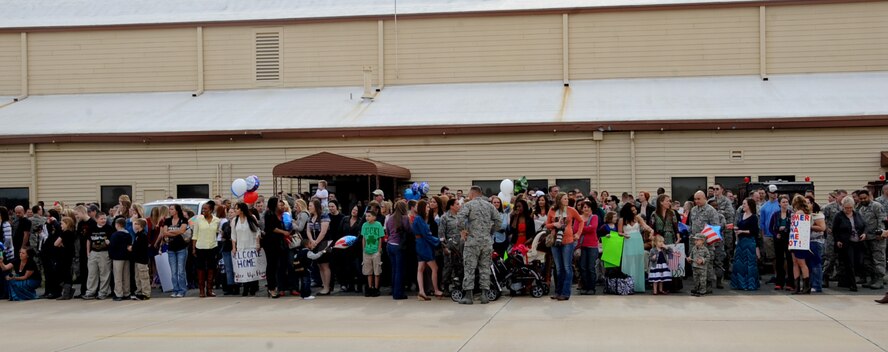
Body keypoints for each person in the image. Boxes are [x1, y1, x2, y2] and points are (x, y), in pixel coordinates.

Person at [457, 186, 499, 304]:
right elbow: (498, 221)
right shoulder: (489, 206)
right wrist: (490, 231)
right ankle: (484, 296)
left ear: (472, 193)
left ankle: (468, 296)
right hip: (486, 242)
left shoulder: (469, 205)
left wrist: (463, 231)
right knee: (485, 268)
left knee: (470, 268)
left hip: (472, 242)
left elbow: (459, 220)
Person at [688, 191, 722, 291]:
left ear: (704, 198)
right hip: (695, 244)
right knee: (695, 265)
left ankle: (707, 286)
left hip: (706, 244)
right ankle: (698, 286)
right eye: (695, 199)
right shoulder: (693, 210)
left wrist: (707, 241)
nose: (696, 201)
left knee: (707, 265)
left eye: (698, 199)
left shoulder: (711, 210)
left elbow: (715, 228)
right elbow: (691, 224)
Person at [618, 202, 652, 293]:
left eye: (635, 209)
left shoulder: (638, 218)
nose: (635, 211)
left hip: (637, 240)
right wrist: (623, 235)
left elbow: (645, 226)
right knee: (628, 261)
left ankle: (638, 285)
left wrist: (650, 230)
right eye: (632, 210)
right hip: (628, 240)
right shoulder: (622, 220)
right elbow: (619, 232)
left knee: (638, 261)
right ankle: (628, 285)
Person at [412, 200, 443, 301]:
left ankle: (422, 291)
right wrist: (438, 240)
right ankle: (436, 289)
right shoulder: (419, 219)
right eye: (427, 207)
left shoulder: (419, 219)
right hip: (424, 245)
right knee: (434, 268)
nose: (429, 208)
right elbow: (426, 234)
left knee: (420, 268)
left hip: (421, 244)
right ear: (423, 208)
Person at [833, 197, 865, 292]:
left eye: (850, 207)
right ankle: (853, 284)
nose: (848, 210)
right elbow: (835, 230)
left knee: (858, 262)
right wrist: (837, 240)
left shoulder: (857, 215)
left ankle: (845, 281)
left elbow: (863, 226)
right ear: (843, 207)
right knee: (849, 263)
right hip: (846, 242)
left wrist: (864, 233)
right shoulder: (839, 216)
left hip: (857, 242)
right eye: (846, 208)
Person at [856, 190, 886, 290]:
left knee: (878, 259)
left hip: (877, 238)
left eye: (865, 198)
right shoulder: (861, 209)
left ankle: (879, 280)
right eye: (861, 199)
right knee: (868, 260)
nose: (863, 200)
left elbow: (881, 219)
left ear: (869, 196)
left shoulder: (876, 206)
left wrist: (880, 232)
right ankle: (872, 279)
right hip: (866, 237)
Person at [231, 202, 262, 297]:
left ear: (242, 209)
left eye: (237, 208)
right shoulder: (234, 220)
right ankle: (245, 288)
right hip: (241, 247)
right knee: (243, 269)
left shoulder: (251, 218)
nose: (235, 210)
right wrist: (234, 247)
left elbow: (257, 231)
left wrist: (257, 244)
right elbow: (233, 235)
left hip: (251, 246)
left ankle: (252, 288)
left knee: (252, 268)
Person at [731, 198, 761, 291]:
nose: (743, 205)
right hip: (741, 242)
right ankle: (739, 283)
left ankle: (750, 284)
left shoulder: (754, 217)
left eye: (744, 204)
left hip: (749, 242)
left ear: (749, 205)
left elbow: (754, 231)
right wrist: (736, 229)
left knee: (749, 263)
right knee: (739, 263)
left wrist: (742, 231)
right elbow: (740, 226)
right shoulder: (741, 215)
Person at [263, 197, 289, 298]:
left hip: (279, 242)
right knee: (271, 265)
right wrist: (284, 232)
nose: (281, 204)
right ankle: (271, 288)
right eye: (279, 203)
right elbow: (271, 228)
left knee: (279, 265)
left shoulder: (281, 214)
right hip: (270, 242)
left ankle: (278, 286)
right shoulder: (269, 214)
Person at [83, 212, 112, 300]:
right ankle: (90, 292)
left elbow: (112, 240)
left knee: (104, 273)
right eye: (101, 219)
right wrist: (88, 252)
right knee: (92, 273)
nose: (103, 220)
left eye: (105, 219)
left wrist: (109, 242)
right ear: (97, 219)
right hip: (93, 252)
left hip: (104, 253)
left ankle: (103, 292)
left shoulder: (109, 228)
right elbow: (88, 240)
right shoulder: (92, 228)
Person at [822, 189, 847, 289]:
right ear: (837, 197)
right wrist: (826, 228)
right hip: (832, 236)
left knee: (842, 259)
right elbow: (821, 218)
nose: (844, 198)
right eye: (842, 196)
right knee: (830, 258)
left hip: (843, 236)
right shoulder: (829, 207)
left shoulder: (847, 207)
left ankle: (841, 279)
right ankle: (825, 278)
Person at [386, 201, 411, 300]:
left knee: (394, 269)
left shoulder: (390, 218)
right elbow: (409, 230)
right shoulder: (405, 218)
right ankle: (398, 293)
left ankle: (394, 290)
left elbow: (387, 231)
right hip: (399, 245)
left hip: (390, 244)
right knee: (399, 271)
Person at [162, 205, 189, 298]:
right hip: (171, 248)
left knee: (181, 271)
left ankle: (182, 290)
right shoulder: (167, 220)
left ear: (177, 210)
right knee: (173, 271)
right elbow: (164, 232)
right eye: (169, 209)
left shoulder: (183, 220)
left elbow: (182, 231)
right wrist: (175, 231)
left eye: (172, 209)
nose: (170, 211)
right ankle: (175, 289)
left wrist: (171, 231)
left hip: (181, 248)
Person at [769, 195, 795, 291]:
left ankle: (790, 283)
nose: (785, 204)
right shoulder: (775, 214)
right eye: (783, 202)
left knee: (790, 260)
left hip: (789, 238)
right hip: (779, 239)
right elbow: (770, 228)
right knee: (779, 260)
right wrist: (776, 234)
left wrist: (786, 229)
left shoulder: (791, 214)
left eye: (786, 202)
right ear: (779, 203)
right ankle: (779, 282)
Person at [307, 199, 332, 295]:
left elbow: (323, 231)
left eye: (311, 206)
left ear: (316, 207)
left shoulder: (324, 216)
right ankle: (324, 285)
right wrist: (312, 241)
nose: (309, 208)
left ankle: (327, 287)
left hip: (324, 243)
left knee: (325, 265)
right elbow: (308, 230)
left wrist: (316, 242)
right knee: (319, 265)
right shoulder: (311, 217)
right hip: (314, 242)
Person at [438, 198, 463, 293]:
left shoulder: (460, 216)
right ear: (451, 206)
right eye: (457, 204)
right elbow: (441, 234)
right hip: (449, 246)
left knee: (458, 266)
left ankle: (457, 286)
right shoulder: (445, 217)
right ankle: (445, 286)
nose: (459, 206)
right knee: (448, 267)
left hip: (459, 246)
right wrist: (444, 247)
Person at [577, 200, 599, 295]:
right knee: (583, 267)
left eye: (588, 207)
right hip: (581, 245)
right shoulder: (579, 218)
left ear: (591, 208)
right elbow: (575, 229)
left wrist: (581, 229)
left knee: (591, 267)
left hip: (592, 245)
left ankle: (592, 287)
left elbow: (593, 228)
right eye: (584, 207)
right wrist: (585, 228)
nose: (586, 209)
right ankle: (585, 286)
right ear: (582, 209)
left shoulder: (594, 217)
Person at [759, 185, 781, 283]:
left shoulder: (780, 204)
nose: (774, 194)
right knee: (773, 257)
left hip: (780, 234)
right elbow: (762, 223)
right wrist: (764, 236)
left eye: (776, 192)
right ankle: (777, 275)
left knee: (782, 256)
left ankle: (784, 275)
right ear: (768, 193)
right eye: (772, 192)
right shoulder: (764, 207)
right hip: (768, 235)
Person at [361, 210, 384, 297]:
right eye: (366, 216)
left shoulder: (378, 225)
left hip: (375, 251)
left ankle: (376, 288)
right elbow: (364, 238)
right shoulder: (364, 225)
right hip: (367, 251)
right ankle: (370, 287)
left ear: (374, 217)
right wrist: (363, 249)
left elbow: (380, 238)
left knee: (377, 270)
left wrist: (378, 250)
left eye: (369, 216)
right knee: (368, 271)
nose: (367, 218)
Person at [109, 217, 132, 301]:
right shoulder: (128, 234)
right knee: (126, 275)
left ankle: (119, 293)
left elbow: (112, 246)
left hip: (117, 258)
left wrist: (111, 255)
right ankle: (127, 292)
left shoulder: (115, 235)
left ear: (117, 225)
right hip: (126, 257)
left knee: (118, 276)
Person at [129, 218, 151, 300]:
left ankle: (146, 293)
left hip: (142, 259)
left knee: (144, 276)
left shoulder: (143, 236)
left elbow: (141, 248)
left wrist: (132, 248)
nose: (135, 225)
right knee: (137, 277)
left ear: (140, 226)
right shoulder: (137, 235)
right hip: (137, 259)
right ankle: (139, 291)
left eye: (136, 224)